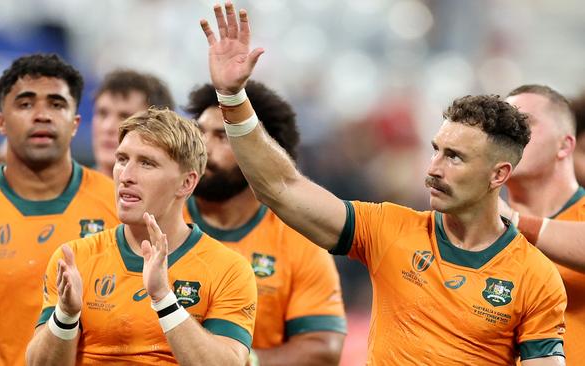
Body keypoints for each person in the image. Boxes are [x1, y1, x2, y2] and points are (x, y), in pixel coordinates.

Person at [198, 3, 567, 365]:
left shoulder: (534, 275)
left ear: (498, 175)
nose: (433, 168)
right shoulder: (388, 229)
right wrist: (232, 98)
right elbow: (281, 187)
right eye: (435, 150)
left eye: (455, 157)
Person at [26, 107, 257, 365]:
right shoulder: (76, 259)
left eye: (147, 163)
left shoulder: (229, 270)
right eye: (122, 159)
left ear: (186, 183)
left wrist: (163, 298)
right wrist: (66, 315)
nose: (126, 176)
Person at [0, 54, 119, 365]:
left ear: (76, 124)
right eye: (25, 104)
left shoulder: (118, 206)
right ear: (0, 123)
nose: (42, 115)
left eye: (57, 104)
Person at [184, 80, 346, 366]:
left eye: (222, 137)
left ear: (261, 155)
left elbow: (323, 347)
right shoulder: (161, 218)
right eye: (199, 133)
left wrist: (240, 362)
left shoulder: (298, 238)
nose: (203, 148)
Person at [503, 84, 585, 363]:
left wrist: (511, 220)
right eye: (501, 123)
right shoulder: (473, 232)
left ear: (564, 145)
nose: (507, 132)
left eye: (523, 122)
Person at [92, 69, 174, 176]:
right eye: (102, 113)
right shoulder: (66, 187)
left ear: (160, 128)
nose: (108, 127)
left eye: (125, 117)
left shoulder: (180, 192)